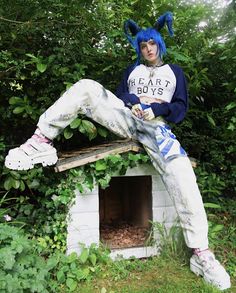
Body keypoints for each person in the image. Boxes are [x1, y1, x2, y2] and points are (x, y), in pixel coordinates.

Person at [5, 12, 231, 291]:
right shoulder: (132, 71)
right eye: (142, 46)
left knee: (183, 175)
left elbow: (181, 108)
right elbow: (121, 95)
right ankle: (40, 141)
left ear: (160, 44)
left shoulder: (175, 73)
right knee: (87, 87)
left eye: (152, 44)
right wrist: (135, 101)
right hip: (126, 119)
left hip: (157, 129)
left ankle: (201, 254)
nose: (148, 49)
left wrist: (157, 108)